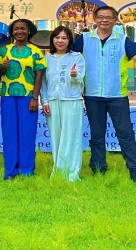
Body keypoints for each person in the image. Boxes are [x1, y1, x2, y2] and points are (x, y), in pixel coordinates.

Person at [73, 5, 136, 182]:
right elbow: (70, 58)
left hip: (117, 96)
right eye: (100, 17)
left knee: (125, 134)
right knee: (97, 134)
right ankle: (98, 170)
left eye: (109, 17)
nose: (104, 20)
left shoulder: (123, 40)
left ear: (115, 20)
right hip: (92, 96)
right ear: (94, 19)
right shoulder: (83, 39)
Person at [0, 19, 46, 180]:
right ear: (12, 32)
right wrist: (2, 67)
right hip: (8, 95)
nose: (19, 32)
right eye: (16, 29)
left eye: (23, 29)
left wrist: (34, 97)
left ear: (29, 31)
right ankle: (10, 171)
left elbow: (39, 76)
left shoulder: (36, 51)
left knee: (27, 133)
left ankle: (26, 170)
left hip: (27, 97)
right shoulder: (4, 51)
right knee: (9, 132)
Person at [41, 26, 85, 182]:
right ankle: (58, 170)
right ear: (52, 39)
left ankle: (72, 172)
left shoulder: (77, 57)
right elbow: (43, 83)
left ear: (69, 40)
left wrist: (74, 75)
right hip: (52, 101)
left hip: (71, 100)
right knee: (57, 137)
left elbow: (80, 81)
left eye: (64, 38)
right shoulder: (46, 58)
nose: (60, 41)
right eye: (57, 38)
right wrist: (44, 101)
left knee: (71, 137)